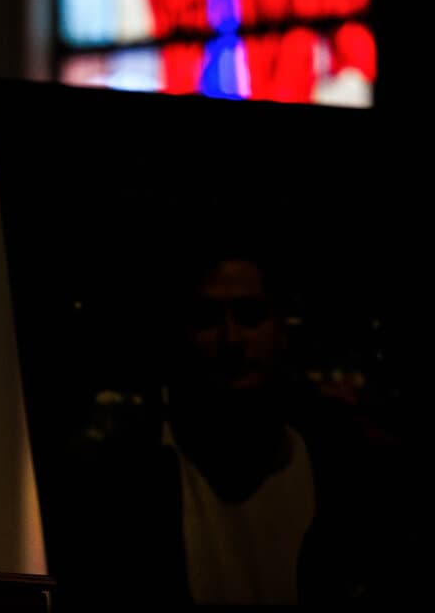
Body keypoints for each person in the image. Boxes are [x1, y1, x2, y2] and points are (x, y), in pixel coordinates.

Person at [60, 242, 405, 608]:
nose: (232, 339)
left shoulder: (346, 469)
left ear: (281, 328)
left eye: (251, 314)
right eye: (207, 318)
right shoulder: (124, 480)